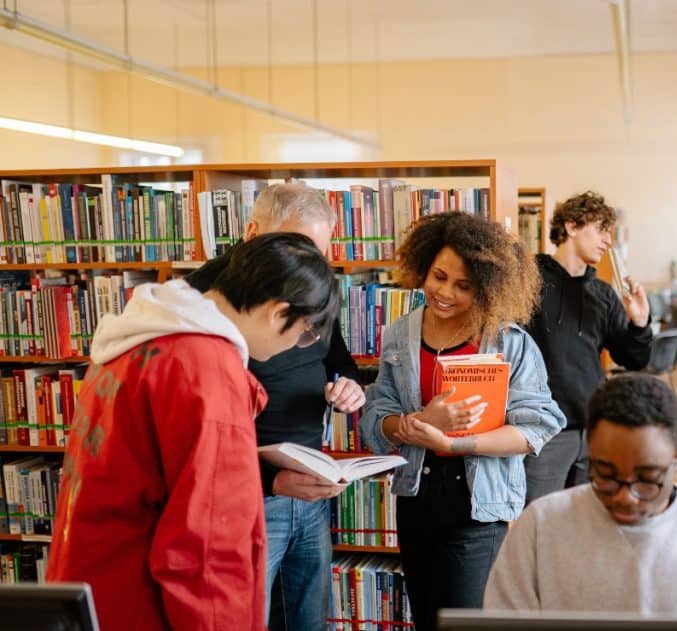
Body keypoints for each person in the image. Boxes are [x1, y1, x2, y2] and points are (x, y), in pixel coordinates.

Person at [46, 233, 340, 630]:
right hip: (144, 607)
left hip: (96, 591)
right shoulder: (207, 371)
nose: (298, 346)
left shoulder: (142, 338)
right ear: (277, 312)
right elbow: (207, 552)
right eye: (305, 333)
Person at [360, 211, 566, 631]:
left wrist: (455, 444)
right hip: (416, 498)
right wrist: (415, 422)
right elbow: (375, 418)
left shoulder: (509, 341)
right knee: (426, 617)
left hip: (478, 504)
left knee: (465, 621)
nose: (445, 293)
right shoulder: (400, 334)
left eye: (463, 286)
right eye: (438, 276)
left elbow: (537, 426)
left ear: (488, 290)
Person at [186, 182, 364, 631]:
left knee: (307, 620)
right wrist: (273, 479)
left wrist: (346, 386)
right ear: (253, 233)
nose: (310, 271)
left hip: (309, 480)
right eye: (297, 247)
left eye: (319, 255)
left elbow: (337, 361)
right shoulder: (197, 312)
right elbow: (196, 447)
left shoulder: (309, 288)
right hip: (248, 494)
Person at [484, 373, 677, 618]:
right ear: (590, 452)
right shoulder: (540, 527)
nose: (626, 498)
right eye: (606, 476)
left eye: (648, 480)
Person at [524, 191, 652, 503]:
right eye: (600, 230)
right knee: (541, 525)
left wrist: (639, 323)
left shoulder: (603, 294)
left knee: (586, 527)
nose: (608, 241)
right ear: (571, 226)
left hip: (594, 430)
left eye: (610, 232)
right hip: (546, 431)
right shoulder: (528, 282)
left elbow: (633, 359)